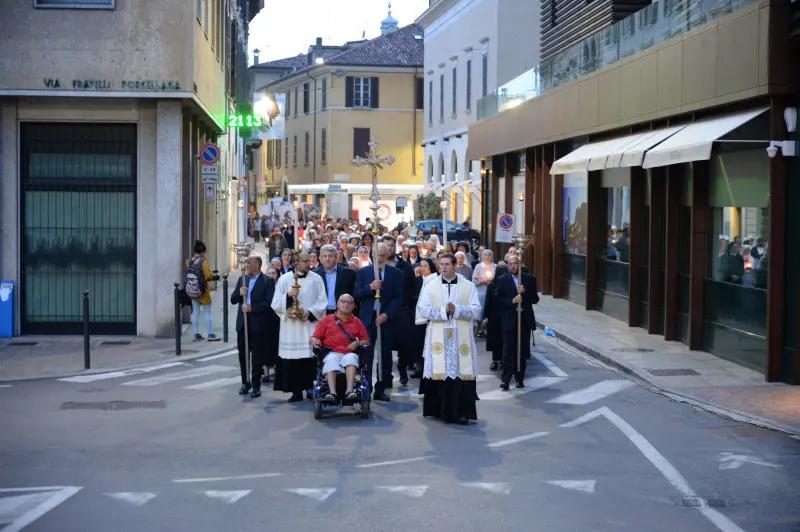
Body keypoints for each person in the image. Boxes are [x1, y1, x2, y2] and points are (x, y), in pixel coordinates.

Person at [417, 253, 481, 424]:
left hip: (461, 335)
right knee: (440, 372)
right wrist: (444, 312)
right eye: (441, 264)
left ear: (454, 266)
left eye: (447, 264)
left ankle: (462, 413)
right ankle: (440, 410)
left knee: (461, 372)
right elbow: (423, 308)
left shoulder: (468, 286)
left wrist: (457, 310)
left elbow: (476, 310)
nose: (443, 267)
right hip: (438, 332)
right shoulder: (430, 286)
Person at [271, 251, 328, 402]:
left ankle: (310, 388)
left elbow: (323, 301)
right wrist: (288, 296)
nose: (308, 264)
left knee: (309, 358)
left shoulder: (317, 279)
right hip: (291, 327)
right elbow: (275, 303)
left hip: (308, 324)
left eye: (309, 261)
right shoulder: (284, 279)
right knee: (293, 360)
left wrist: (310, 312)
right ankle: (296, 391)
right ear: (296, 263)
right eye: (304, 261)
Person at [354, 243, 403, 402]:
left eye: (382, 255)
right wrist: (370, 287)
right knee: (366, 354)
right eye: (376, 255)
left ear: (388, 254)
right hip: (368, 318)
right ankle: (365, 387)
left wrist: (387, 314)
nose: (380, 258)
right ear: (371, 255)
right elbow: (357, 295)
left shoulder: (396, 273)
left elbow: (398, 297)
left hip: (386, 319)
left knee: (384, 355)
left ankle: (381, 388)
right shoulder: (363, 272)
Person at [310, 294, 370, 403]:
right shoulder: (326, 320)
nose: (346, 304)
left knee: (351, 359)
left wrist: (357, 343)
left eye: (349, 303)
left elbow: (366, 341)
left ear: (353, 307)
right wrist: (315, 340)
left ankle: (349, 391)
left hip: (349, 352)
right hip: (331, 352)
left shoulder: (357, 322)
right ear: (337, 304)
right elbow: (315, 337)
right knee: (331, 359)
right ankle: (332, 393)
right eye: (343, 301)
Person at [230, 256, 276, 397]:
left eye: (249, 263)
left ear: (257, 264)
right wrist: (240, 293)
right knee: (243, 355)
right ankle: (245, 383)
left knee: (257, 356)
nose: (246, 265)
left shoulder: (267, 281)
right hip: (243, 323)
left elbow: (269, 303)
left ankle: (256, 386)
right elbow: (233, 300)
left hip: (258, 324)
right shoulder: (243, 279)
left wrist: (252, 308)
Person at [496, 254, 539, 390]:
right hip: (510, 319)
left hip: (524, 319)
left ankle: (520, 378)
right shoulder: (502, 280)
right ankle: (506, 380)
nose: (512, 266)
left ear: (520, 264)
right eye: (510, 264)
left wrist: (525, 292)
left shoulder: (529, 279)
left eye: (515, 264)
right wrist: (512, 301)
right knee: (508, 350)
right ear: (506, 265)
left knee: (522, 349)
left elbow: (535, 299)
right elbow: (497, 300)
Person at [185, 240, 219, 342]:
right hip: (202, 290)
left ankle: (196, 334)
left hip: (192, 289)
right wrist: (211, 272)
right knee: (207, 311)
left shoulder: (188, 261)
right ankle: (210, 333)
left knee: (195, 311)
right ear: (203, 252)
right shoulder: (203, 262)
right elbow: (208, 276)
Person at [314, 244, 357, 316]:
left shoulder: (349, 273)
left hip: (342, 314)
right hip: (321, 314)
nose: (327, 259)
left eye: (330, 256)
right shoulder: (314, 274)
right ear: (320, 258)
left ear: (336, 258)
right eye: (324, 256)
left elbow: (354, 294)